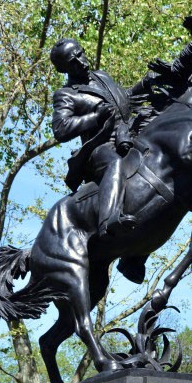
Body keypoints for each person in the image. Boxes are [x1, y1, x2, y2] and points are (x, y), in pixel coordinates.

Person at [50, 38, 149, 239]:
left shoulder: (102, 76)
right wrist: (95, 117)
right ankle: (109, 220)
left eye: (80, 54)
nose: (81, 61)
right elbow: (61, 129)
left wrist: (144, 84)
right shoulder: (66, 94)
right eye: (73, 61)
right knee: (115, 164)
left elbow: (125, 100)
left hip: (127, 135)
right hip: (100, 148)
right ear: (64, 69)